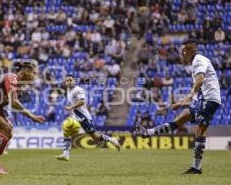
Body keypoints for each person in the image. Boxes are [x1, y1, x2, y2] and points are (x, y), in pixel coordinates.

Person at [137, 40, 221, 174]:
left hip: (209, 99)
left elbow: (200, 80)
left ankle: (196, 168)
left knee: (200, 129)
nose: (182, 54)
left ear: (191, 51)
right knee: (181, 118)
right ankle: (149, 133)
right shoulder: (195, 62)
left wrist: (188, 97)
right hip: (202, 98)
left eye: (184, 51)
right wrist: (182, 102)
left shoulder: (199, 60)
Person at [55, 75, 121, 161]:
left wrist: (71, 107)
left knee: (95, 137)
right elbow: (70, 102)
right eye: (67, 80)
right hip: (76, 116)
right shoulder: (68, 90)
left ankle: (112, 140)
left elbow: (82, 101)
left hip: (84, 117)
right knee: (66, 130)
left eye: (70, 80)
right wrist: (70, 110)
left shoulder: (78, 90)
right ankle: (66, 154)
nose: (68, 82)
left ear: (74, 81)